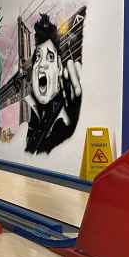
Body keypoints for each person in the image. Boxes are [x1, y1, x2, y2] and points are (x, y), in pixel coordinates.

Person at [23, 13, 82, 154]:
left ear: (59, 67)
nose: (41, 64)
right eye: (38, 57)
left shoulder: (65, 122)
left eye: (50, 57)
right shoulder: (32, 118)